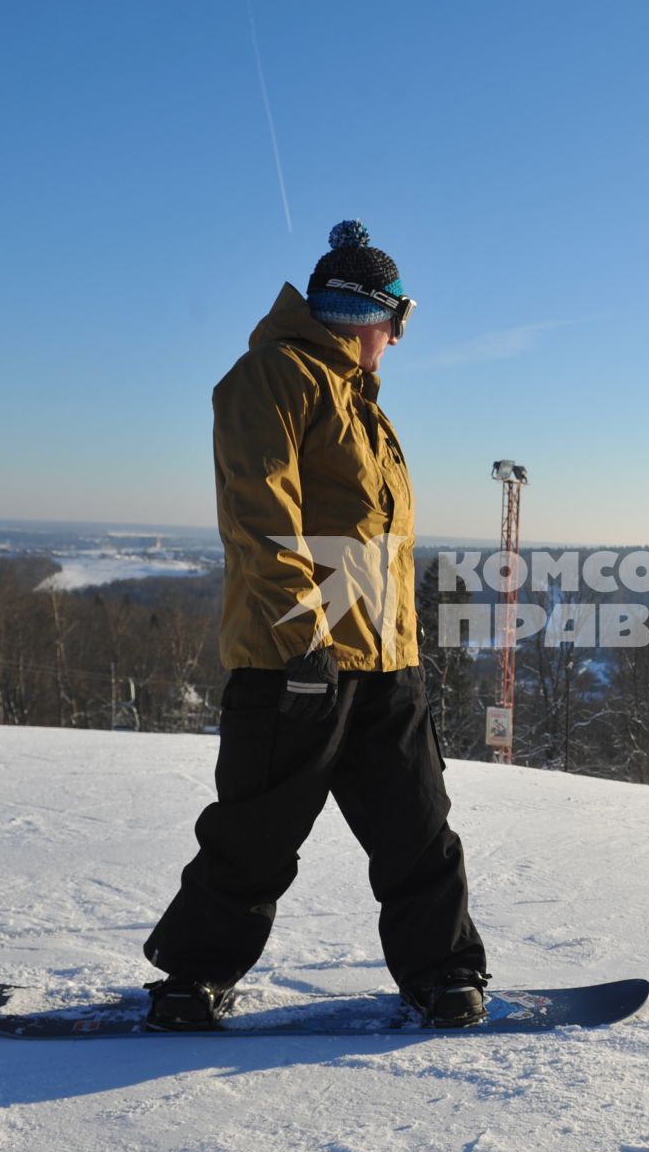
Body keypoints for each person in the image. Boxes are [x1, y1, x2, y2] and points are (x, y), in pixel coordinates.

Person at [142, 220, 489, 1031]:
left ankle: (442, 972)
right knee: (256, 834)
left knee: (418, 829)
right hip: (294, 661)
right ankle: (195, 977)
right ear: (373, 317)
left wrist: (401, 649)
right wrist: (304, 639)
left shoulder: (359, 403)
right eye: (396, 326)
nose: (394, 345)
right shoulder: (273, 377)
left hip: (382, 659)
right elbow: (263, 520)